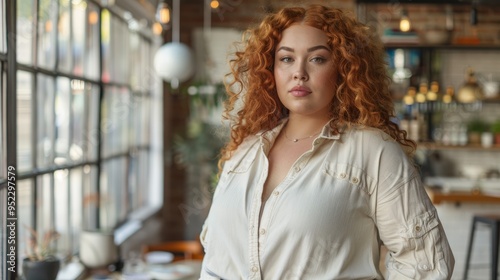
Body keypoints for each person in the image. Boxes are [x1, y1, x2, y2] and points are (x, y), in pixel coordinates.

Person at [199, 5, 454, 280]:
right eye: (286, 59)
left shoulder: (373, 152)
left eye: (317, 59)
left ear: (343, 68)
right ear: (270, 70)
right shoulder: (245, 151)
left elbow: (425, 263)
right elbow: (214, 256)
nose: (299, 72)